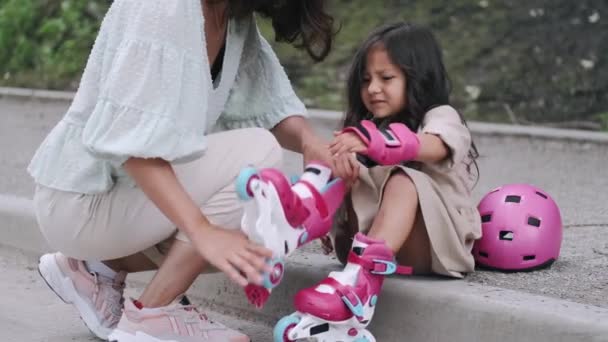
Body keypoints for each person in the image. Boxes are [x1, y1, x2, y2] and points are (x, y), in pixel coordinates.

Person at [28, 1, 336, 341]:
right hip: (83, 197)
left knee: (266, 226)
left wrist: (311, 143)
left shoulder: (231, 16)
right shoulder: (163, 7)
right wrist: (202, 231)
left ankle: (95, 270)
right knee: (258, 153)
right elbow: (129, 143)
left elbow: (267, 104)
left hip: (121, 199)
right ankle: (152, 315)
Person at [275, 22, 482, 341]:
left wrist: (379, 144)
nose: (372, 88)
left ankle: (357, 285)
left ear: (418, 78)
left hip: (436, 247)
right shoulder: (367, 128)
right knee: (343, 173)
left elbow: (435, 145)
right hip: (365, 247)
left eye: (386, 78)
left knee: (403, 179)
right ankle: (296, 221)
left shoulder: (440, 116)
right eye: (366, 80)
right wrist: (343, 172)